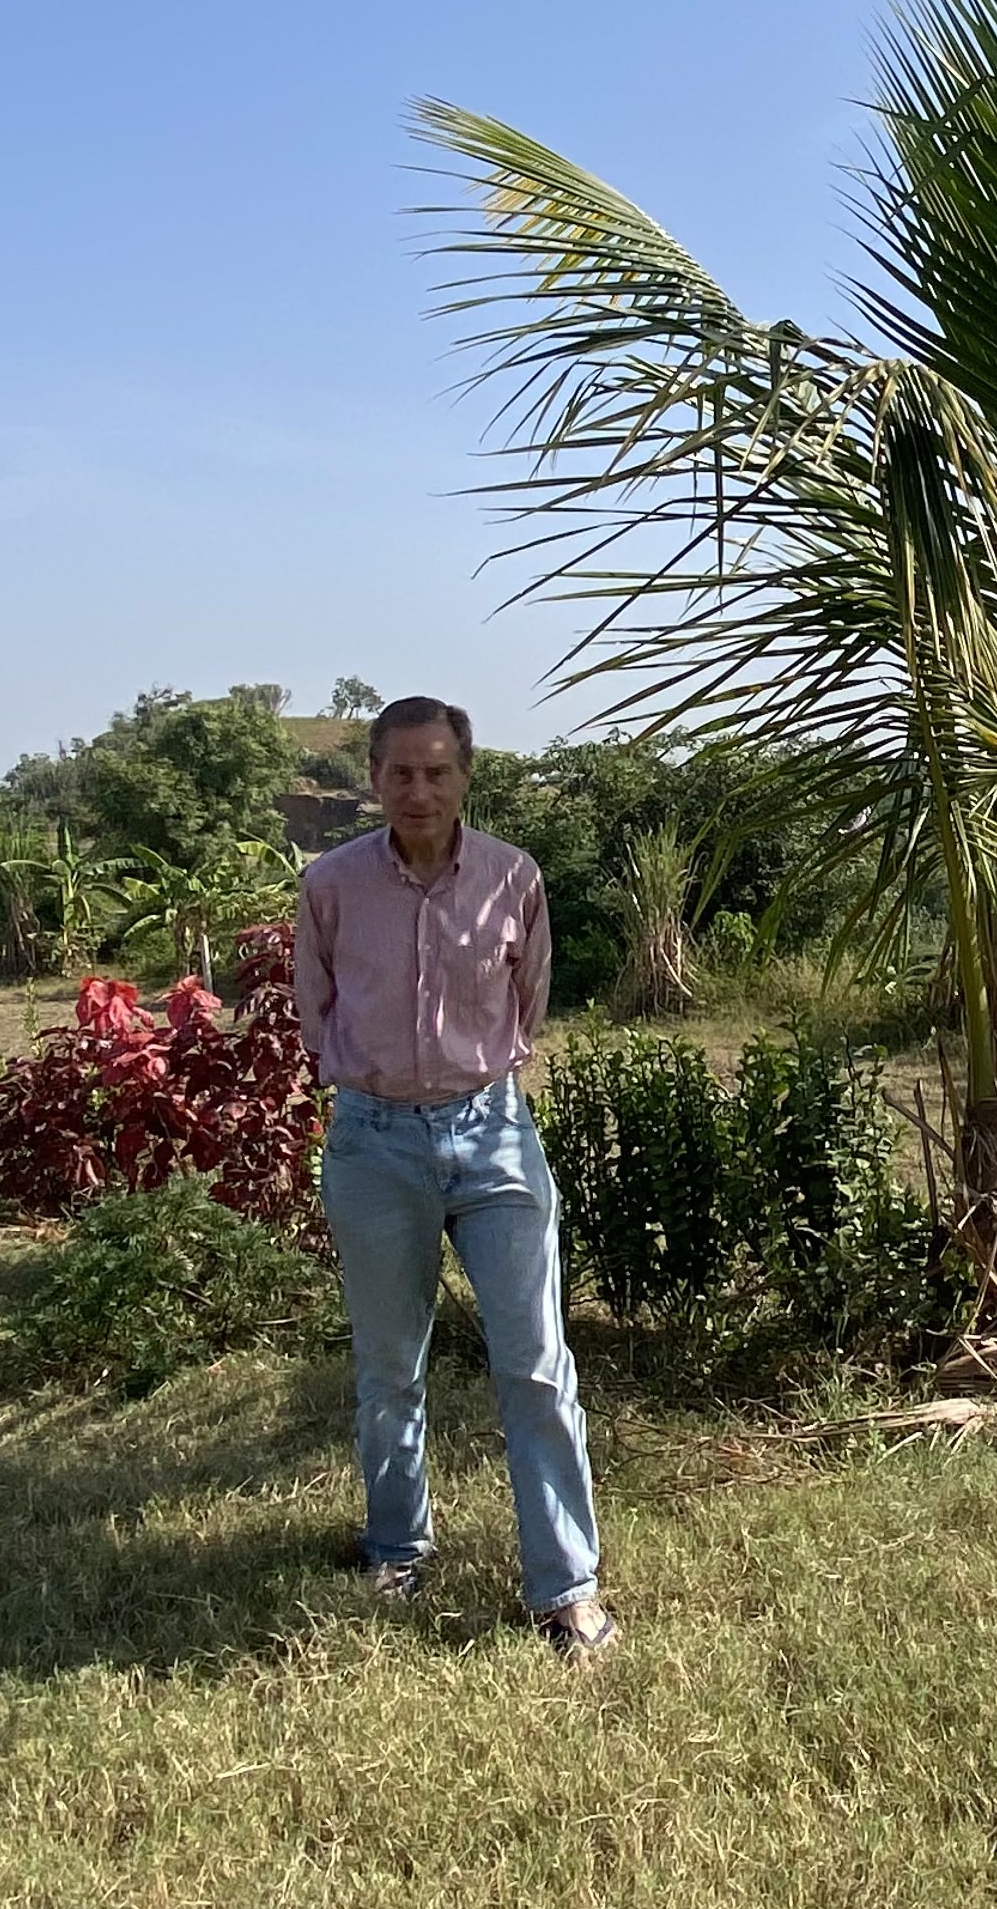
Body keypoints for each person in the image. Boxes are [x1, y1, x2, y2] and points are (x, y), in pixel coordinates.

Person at [282, 696, 617, 1660]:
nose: (418, 790)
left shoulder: (514, 877)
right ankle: (396, 1546)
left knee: (536, 1363)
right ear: (374, 779)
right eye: (400, 772)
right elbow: (315, 1005)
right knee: (390, 1366)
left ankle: (566, 1586)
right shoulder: (331, 884)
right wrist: (373, 1088)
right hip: (374, 1143)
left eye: (437, 771)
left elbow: (528, 1000)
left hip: (493, 1134)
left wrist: (470, 1083)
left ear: (466, 776)